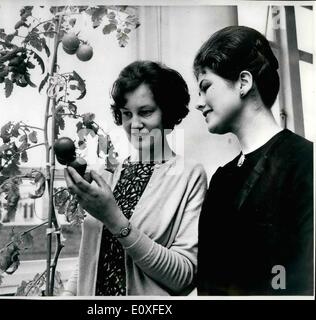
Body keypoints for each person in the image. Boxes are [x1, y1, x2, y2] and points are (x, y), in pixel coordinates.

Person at [64, 60, 207, 296]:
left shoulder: (189, 176)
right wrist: (68, 294)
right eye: (126, 114)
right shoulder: (108, 173)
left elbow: (184, 276)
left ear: (168, 112)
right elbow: (90, 254)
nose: (135, 124)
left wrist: (114, 219)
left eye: (145, 112)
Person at [193, 26, 313, 295]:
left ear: (244, 83)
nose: (199, 103)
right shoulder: (222, 178)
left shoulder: (306, 162)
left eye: (205, 86)